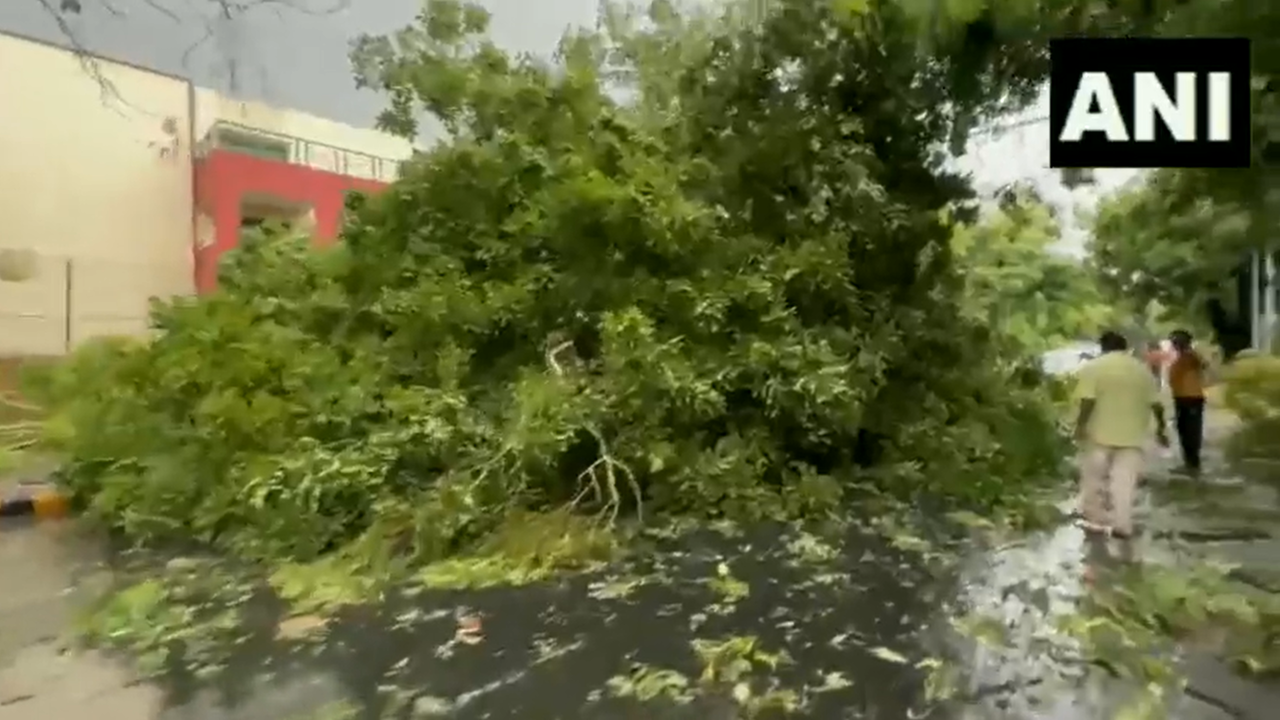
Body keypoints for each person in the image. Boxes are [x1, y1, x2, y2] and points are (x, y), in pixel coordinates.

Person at [1073, 331, 1169, 538]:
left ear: (1102, 346)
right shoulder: (1141, 370)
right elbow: (1156, 404)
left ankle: (1094, 518)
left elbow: (1088, 400)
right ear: (1125, 347)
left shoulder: (1094, 368)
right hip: (1132, 434)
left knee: (1093, 478)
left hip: (1100, 433)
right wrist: (1161, 429)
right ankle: (1123, 525)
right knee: (1124, 482)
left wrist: (1080, 425)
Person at [1167, 329, 1207, 476]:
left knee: (1191, 431)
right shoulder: (1184, 357)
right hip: (1183, 398)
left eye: (1175, 341)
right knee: (1184, 430)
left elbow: (1202, 364)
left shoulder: (1190, 356)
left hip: (1190, 398)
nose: (1173, 344)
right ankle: (1189, 463)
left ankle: (1193, 464)